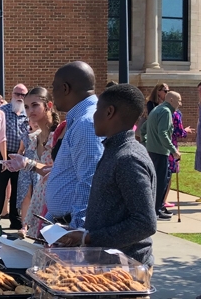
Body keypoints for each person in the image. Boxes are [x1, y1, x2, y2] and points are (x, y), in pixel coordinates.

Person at [56, 84, 157, 266]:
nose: (93, 116)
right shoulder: (114, 150)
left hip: (125, 270)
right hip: (107, 264)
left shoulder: (128, 158)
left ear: (109, 112)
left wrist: (89, 237)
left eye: (96, 110)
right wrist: (80, 232)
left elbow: (145, 223)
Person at [45, 61, 103, 229]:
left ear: (65, 88)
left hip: (74, 228)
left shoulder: (86, 123)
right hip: (64, 224)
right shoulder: (80, 119)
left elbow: (89, 179)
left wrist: (77, 230)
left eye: (53, 87)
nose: (52, 93)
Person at [7, 88, 59, 238]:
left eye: (35, 105)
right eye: (27, 107)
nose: (30, 110)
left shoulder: (58, 134)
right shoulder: (35, 137)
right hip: (40, 192)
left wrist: (27, 163)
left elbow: (56, 170)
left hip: (56, 195)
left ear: (49, 105)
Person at [140, 91, 182, 220]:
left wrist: (147, 144)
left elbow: (143, 130)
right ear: (171, 100)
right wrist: (173, 150)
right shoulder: (166, 112)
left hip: (153, 151)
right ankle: (156, 211)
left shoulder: (156, 109)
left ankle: (155, 209)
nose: (180, 103)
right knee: (160, 182)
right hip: (160, 152)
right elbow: (163, 133)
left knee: (155, 181)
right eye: (179, 100)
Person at [0, 83, 28, 227]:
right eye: (17, 94)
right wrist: (4, 156)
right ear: (12, 95)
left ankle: (15, 218)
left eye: (23, 95)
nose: (20, 98)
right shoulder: (2, 111)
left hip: (21, 156)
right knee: (0, 187)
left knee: (17, 188)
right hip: (4, 155)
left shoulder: (27, 112)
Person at [163, 103, 192, 210]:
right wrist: (186, 131)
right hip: (172, 146)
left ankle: (160, 199)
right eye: (179, 101)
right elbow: (180, 132)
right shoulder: (176, 114)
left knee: (162, 172)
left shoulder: (160, 111)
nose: (180, 103)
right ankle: (164, 199)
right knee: (169, 172)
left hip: (160, 145)